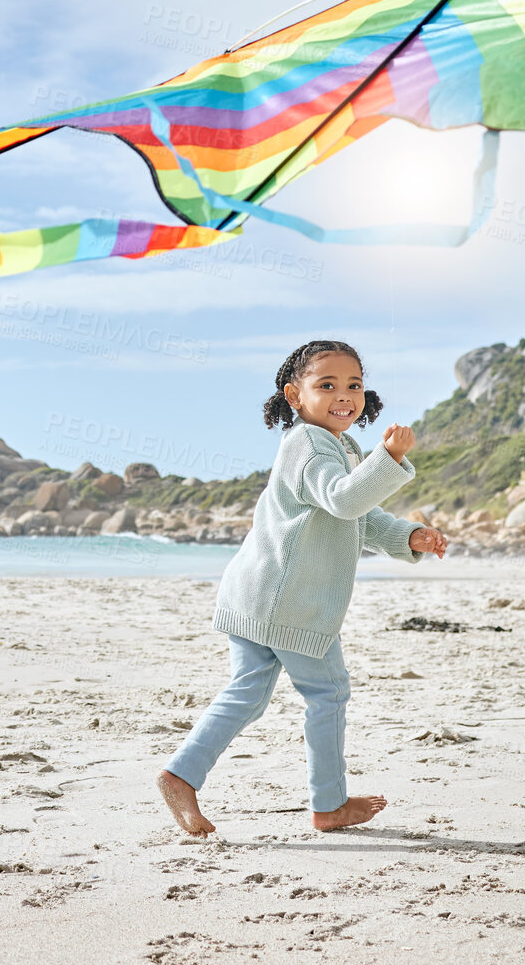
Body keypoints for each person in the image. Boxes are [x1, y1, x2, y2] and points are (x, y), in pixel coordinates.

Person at [157, 340, 447, 837]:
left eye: (354, 385)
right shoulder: (310, 445)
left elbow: (355, 517)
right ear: (295, 396)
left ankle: (180, 775)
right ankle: (329, 804)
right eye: (327, 385)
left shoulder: (335, 445)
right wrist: (391, 456)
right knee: (328, 692)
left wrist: (405, 536)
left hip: (255, 593)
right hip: (289, 601)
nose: (344, 395)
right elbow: (342, 499)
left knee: (248, 694)